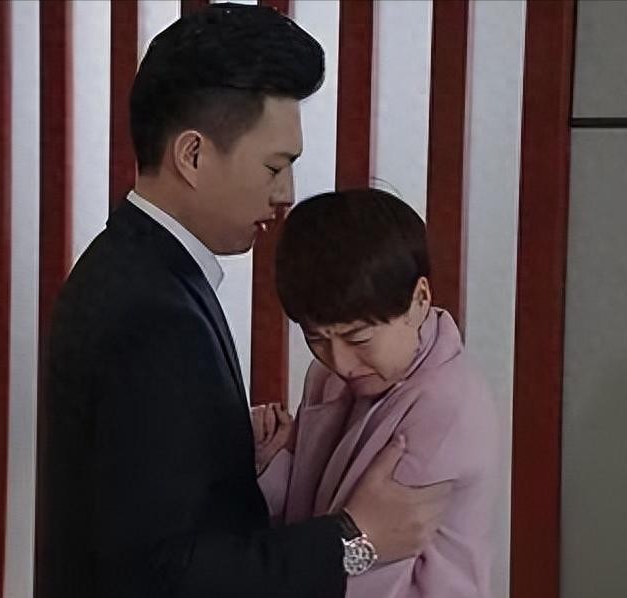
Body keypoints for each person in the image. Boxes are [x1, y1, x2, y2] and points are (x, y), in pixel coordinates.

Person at [37, 5, 450, 597]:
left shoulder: (133, 267)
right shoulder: (152, 315)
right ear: (193, 155)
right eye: (274, 166)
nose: (286, 194)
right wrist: (356, 539)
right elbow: (165, 572)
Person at [254, 188, 501, 597]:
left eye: (359, 339)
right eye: (317, 339)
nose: (341, 362)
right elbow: (307, 509)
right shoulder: (328, 375)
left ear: (420, 299)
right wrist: (272, 459)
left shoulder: (445, 406)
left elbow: (377, 569)